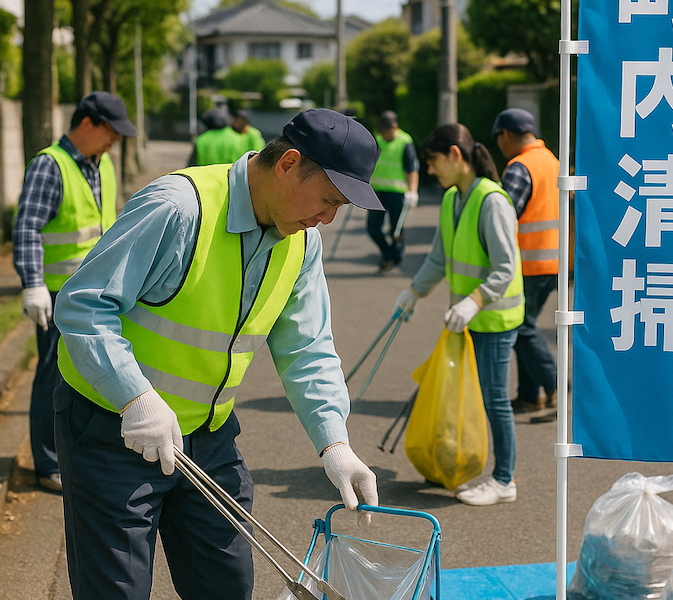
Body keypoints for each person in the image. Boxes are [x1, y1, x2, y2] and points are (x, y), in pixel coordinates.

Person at [52, 108, 382, 599]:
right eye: (329, 200)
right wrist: (134, 397)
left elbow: (307, 348)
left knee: (225, 585)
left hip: (207, 438)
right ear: (289, 163)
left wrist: (335, 443)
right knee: (114, 590)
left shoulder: (300, 242)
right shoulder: (178, 208)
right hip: (111, 430)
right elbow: (82, 306)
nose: (328, 218)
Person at [392, 123, 524, 506]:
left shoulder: (492, 200)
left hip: (495, 317)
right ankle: (480, 469)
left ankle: (504, 480)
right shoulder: (453, 198)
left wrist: (473, 301)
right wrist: (413, 293)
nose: (430, 170)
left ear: (454, 155)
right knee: (479, 397)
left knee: (495, 398)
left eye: (433, 162)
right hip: (468, 320)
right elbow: (439, 258)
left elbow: (505, 267)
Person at [12, 90, 136, 493]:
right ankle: (47, 464)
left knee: (93, 374)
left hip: (98, 293)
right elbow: (28, 226)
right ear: (86, 123)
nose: (115, 140)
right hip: (57, 295)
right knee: (51, 376)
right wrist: (32, 284)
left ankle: (78, 453)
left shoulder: (103, 165)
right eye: (111, 131)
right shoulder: (52, 165)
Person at [491, 108, 559, 419]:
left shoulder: (519, 167)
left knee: (521, 325)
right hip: (554, 259)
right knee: (523, 327)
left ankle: (556, 386)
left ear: (505, 134)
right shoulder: (551, 161)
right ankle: (531, 395)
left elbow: (504, 218)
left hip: (529, 262)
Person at [368, 110, 420, 272]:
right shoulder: (377, 141)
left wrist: (413, 191)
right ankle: (390, 254)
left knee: (396, 229)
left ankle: (394, 258)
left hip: (398, 192)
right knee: (373, 228)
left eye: (387, 130)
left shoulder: (405, 141)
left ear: (395, 127)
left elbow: (411, 168)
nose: (384, 134)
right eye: (382, 131)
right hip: (377, 191)